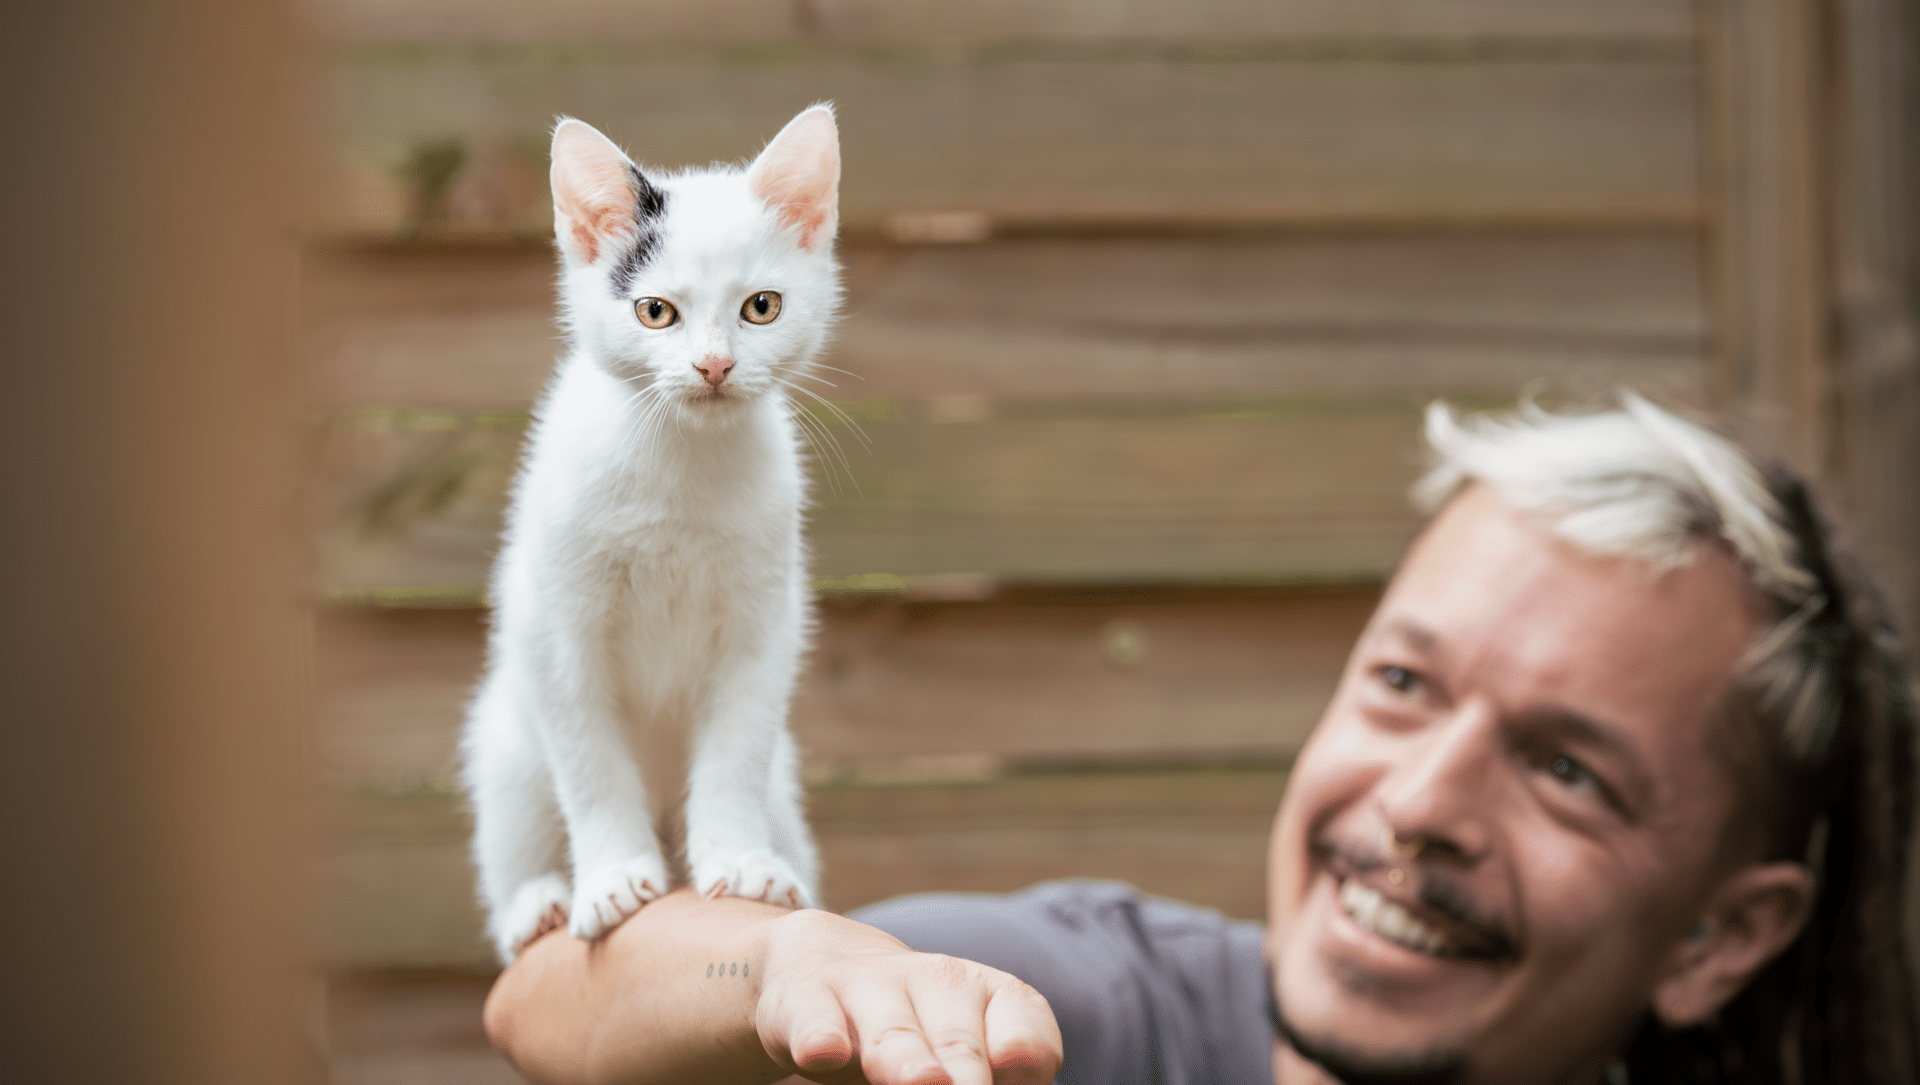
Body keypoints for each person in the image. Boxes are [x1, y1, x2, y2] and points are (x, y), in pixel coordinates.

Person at [482, 395, 1920, 1085]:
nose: (1419, 800)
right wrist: (785, 960)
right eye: (1405, 685)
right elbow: (555, 1011)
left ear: (1721, 936)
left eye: (1565, 771)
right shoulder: (1084, 1015)